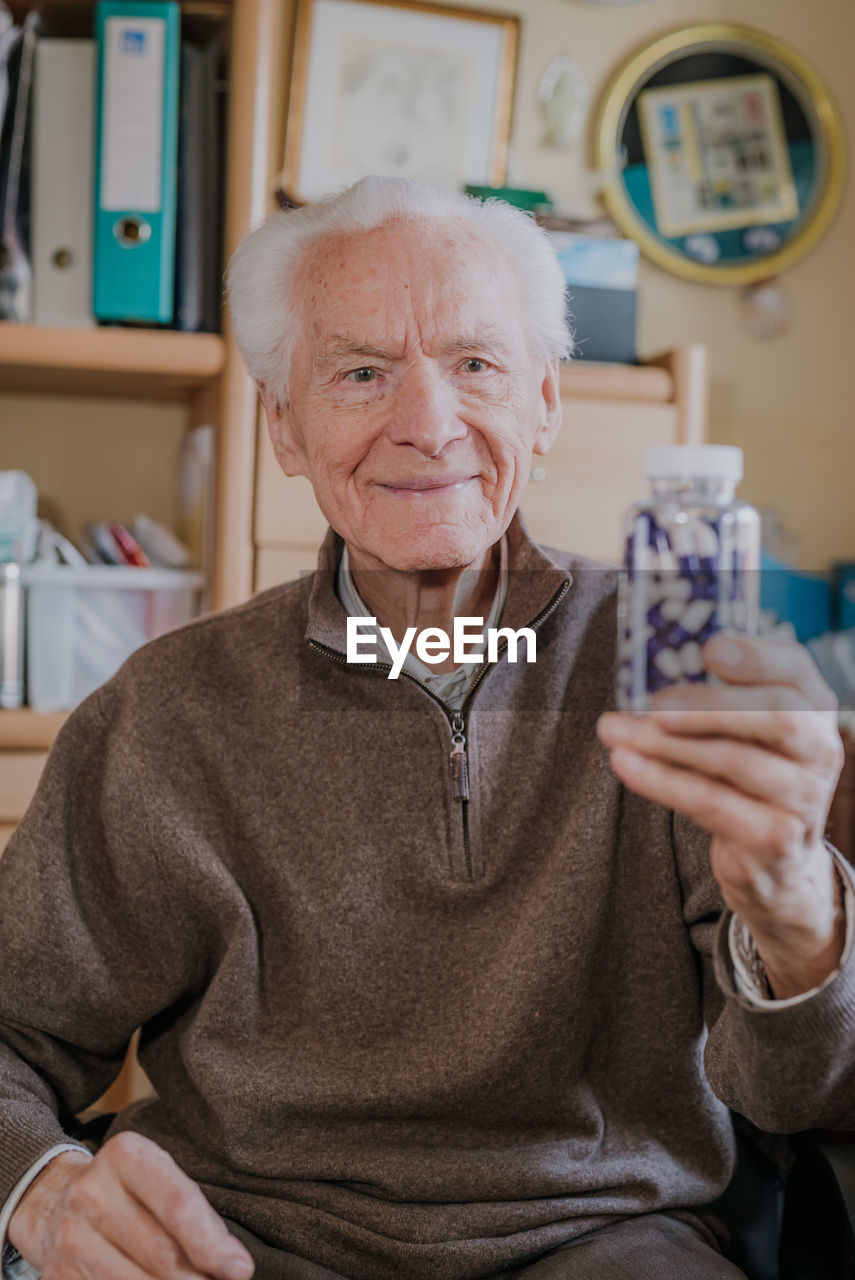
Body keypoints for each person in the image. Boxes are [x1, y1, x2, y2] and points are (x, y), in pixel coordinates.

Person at [1, 176, 853, 1280]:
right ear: (283, 424)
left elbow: (809, 1097)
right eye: (361, 372)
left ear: (544, 404)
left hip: (607, 1239)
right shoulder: (166, 712)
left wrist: (799, 915)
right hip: (250, 1241)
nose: (427, 422)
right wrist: (42, 1187)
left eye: (476, 365)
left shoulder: (680, 672)